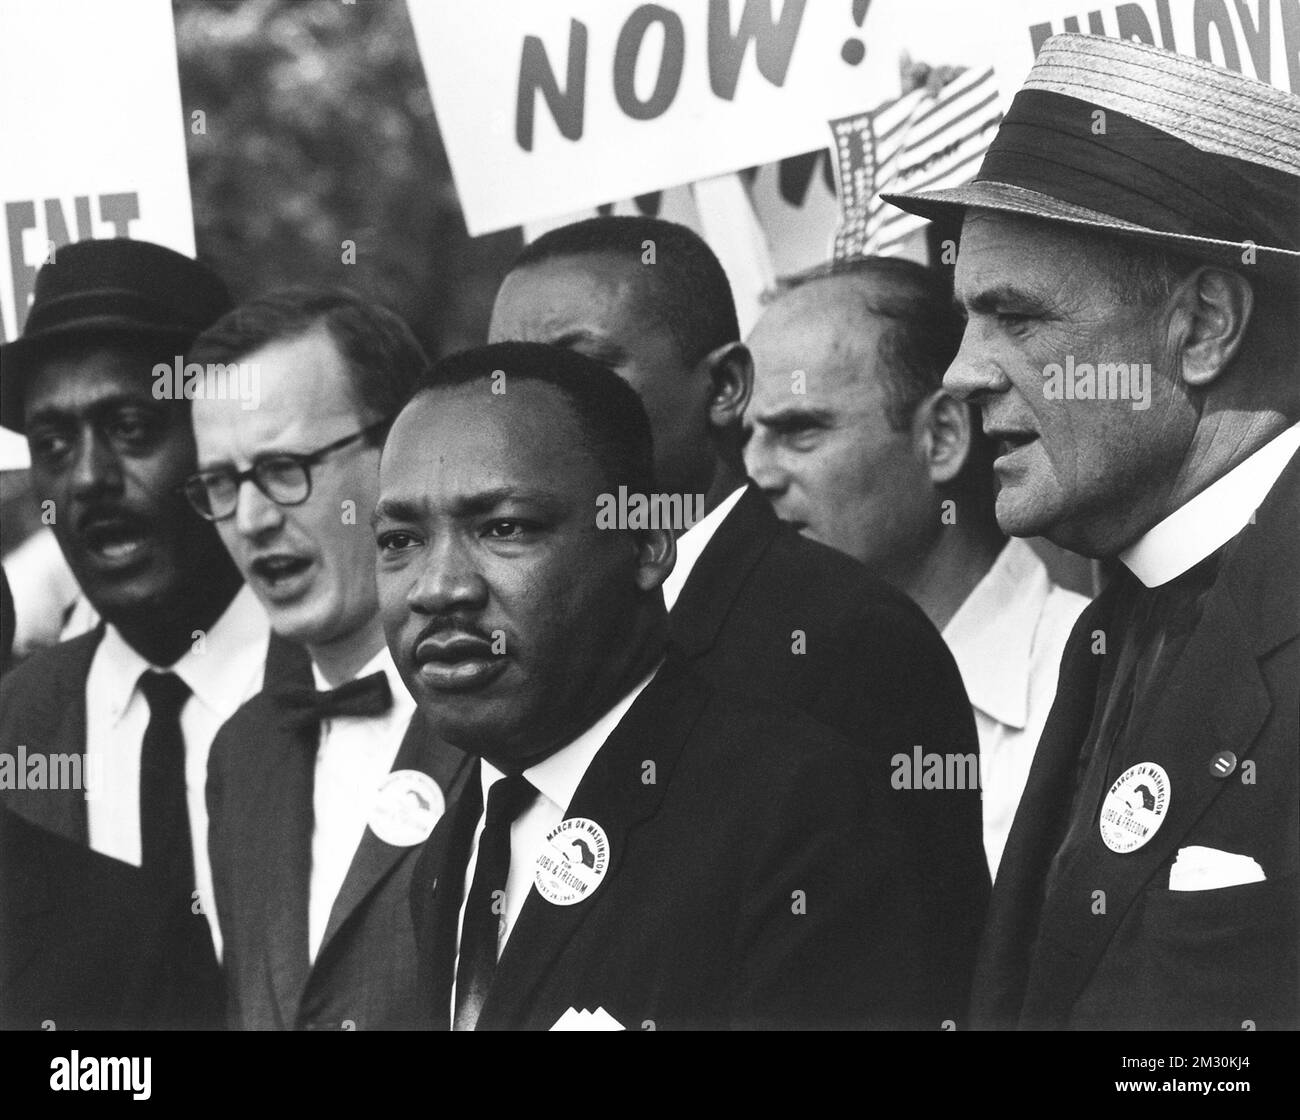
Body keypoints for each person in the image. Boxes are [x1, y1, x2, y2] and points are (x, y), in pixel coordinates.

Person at [886, 32, 1300, 1030]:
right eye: (965, 321)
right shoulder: (1117, 623)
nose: (960, 372)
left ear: (1202, 326)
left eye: (1017, 319)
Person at [488, 216, 987, 1023]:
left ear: (724, 387)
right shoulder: (525, 641)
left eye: (581, 369)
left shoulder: (846, 634)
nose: (526, 413)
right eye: (507, 375)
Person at [384, 342, 933, 1030]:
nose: (438, 588)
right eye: (399, 540)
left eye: (504, 528)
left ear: (646, 543)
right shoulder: (457, 837)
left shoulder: (793, 808)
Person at [746, 257, 1088, 877]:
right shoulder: (746, 696)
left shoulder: (1099, 680)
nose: (756, 475)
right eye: (743, 439)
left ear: (941, 436)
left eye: (797, 431)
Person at [0, 238, 267, 1028]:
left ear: (222, 441)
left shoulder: (349, 683)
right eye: (53, 445)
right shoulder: (18, 720)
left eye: (130, 425)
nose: (88, 478)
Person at [188, 288, 471, 1030]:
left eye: (285, 467)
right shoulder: (242, 755)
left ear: (404, 447)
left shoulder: (514, 714)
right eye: (221, 483)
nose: (250, 520)